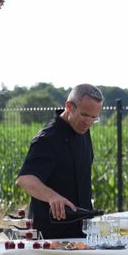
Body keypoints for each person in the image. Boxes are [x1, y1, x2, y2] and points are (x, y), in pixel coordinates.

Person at [16, 84, 104, 239]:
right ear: (69, 106)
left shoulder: (83, 132)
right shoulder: (47, 139)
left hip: (82, 233)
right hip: (50, 235)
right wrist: (52, 197)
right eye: (84, 115)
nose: (88, 123)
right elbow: (25, 179)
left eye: (94, 118)